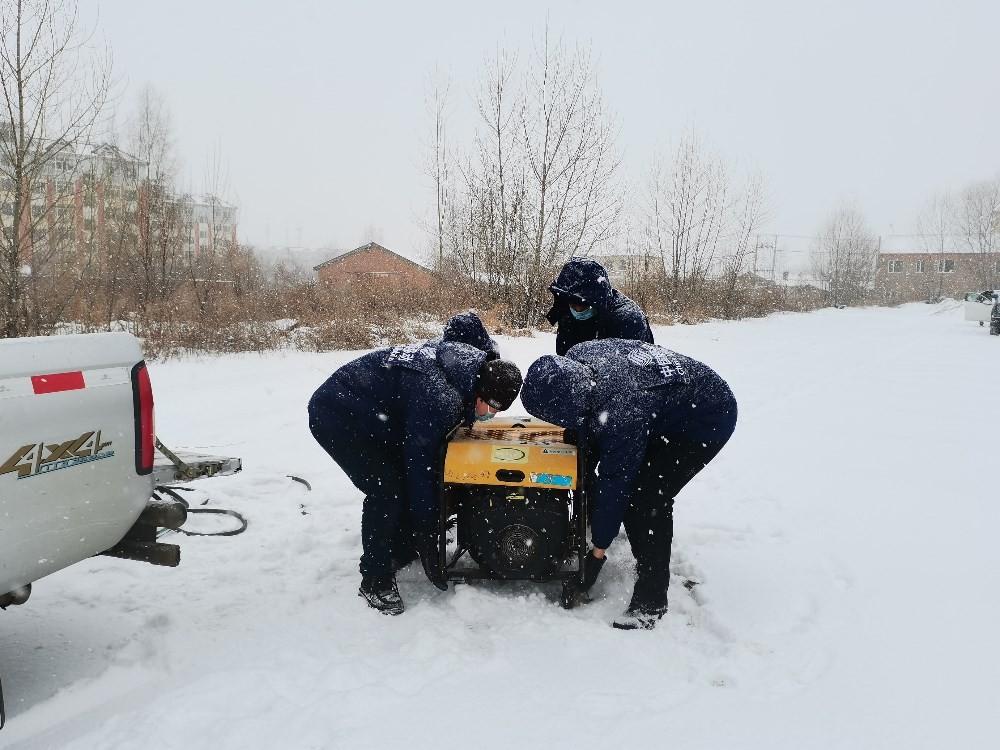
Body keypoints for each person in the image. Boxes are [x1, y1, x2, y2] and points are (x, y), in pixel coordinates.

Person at [520, 339, 737, 630]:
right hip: (658, 401)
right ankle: (594, 521)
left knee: (645, 499)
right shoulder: (578, 357)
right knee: (585, 449)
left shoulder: (624, 410)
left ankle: (651, 600)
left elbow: (616, 480)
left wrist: (597, 553)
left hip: (705, 417)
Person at [308, 340, 522, 616]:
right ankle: (374, 577)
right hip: (338, 415)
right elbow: (419, 468)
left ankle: (399, 546)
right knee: (386, 490)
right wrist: (426, 531)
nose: (492, 415)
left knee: (403, 480)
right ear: (481, 396)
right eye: (492, 409)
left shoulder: (470, 367)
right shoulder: (438, 395)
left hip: (374, 410)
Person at [545, 257, 654, 355]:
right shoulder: (567, 314)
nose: (578, 311)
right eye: (573, 304)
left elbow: (633, 368)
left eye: (584, 305)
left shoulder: (628, 320)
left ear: (598, 302)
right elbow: (565, 355)